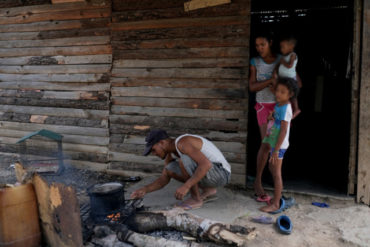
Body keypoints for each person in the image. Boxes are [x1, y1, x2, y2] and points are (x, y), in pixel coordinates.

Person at [130, 129, 231, 210]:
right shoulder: (172, 149)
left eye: (153, 150)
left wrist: (186, 186)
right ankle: (209, 190)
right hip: (213, 174)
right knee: (169, 168)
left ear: (162, 143)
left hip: (222, 173)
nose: (154, 153)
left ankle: (196, 199)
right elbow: (164, 178)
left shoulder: (182, 143)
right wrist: (144, 189)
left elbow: (206, 164)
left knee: (184, 160)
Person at [248, 32, 281, 202]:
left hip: (278, 107)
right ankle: (258, 181)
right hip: (262, 106)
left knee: (277, 144)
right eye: (257, 45)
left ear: (271, 42)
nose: (259, 48)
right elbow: (252, 87)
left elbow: (291, 83)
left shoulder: (281, 60)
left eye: (263, 44)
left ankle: (277, 183)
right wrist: (269, 82)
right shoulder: (255, 62)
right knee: (267, 144)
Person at [259, 77, 298, 213]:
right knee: (272, 168)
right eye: (277, 91)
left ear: (290, 94)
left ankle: (276, 204)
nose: (278, 94)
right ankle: (278, 197)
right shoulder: (279, 104)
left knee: (276, 173)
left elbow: (283, 130)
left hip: (279, 146)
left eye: (282, 92)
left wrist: (275, 151)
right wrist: (271, 117)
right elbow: (276, 120)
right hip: (274, 143)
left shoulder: (286, 108)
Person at [276, 36, 302, 119]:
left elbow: (290, 65)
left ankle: (297, 108)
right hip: (284, 79)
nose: (281, 49)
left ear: (291, 46)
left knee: (293, 95)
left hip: (290, 79)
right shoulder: (284, 56)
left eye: (283, 47)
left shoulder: (293, 55)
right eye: (280, 47)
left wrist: (283, 62)